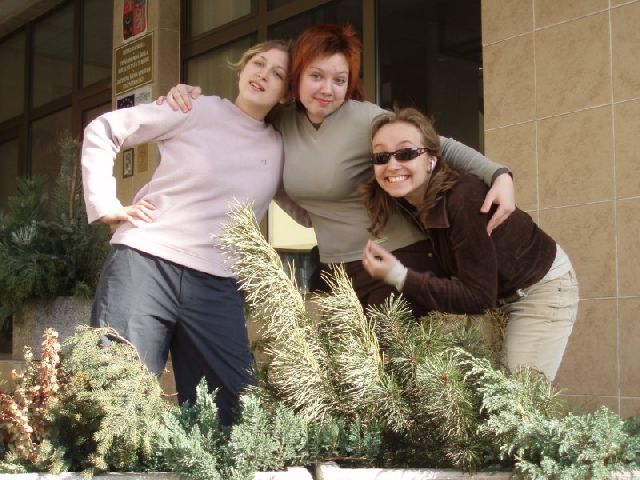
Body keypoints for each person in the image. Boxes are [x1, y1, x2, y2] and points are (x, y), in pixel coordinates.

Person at [159, 24, 516, 315]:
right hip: (334, 270)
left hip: (395, 257)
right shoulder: (281, 122)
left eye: (339, 80)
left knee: (388, 374)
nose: (327, 90)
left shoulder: (365, 119)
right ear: (297, 77)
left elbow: (440, 145)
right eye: (316, 76)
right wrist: (185, 99)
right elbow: (240, 122)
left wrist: (498, 174)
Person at [82, 40, 306, 424]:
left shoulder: (281, 149)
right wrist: (105, 205)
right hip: (145, 263)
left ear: (286, 93)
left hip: (217, 283)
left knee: (232, 412)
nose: (263, 75)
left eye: (278, 74)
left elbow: (308, 209)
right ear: (242, 68)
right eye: (258, 63)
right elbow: (104, 129)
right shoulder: (195, 108)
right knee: (115, 396)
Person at [361, 107, 579, 381]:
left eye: (406, 153)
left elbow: (477, 297)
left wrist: (399, 276)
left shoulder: (464, 199)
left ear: (431, 159)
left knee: (518, 397)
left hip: (539, 289)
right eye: (382, 157)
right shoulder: (408, 202)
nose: (392, 165)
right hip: (501, 295)